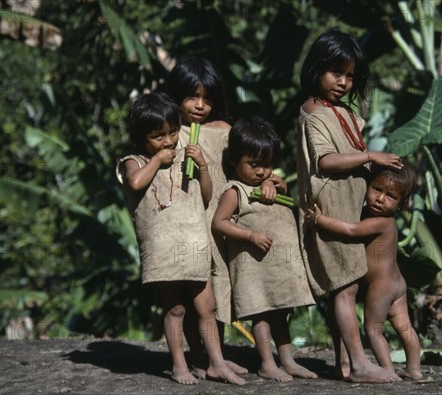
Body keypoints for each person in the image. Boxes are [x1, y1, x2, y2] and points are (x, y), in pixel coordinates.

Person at [296, 28, 403, 383]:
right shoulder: (315, 113)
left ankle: (346, 365)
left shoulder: (337, 110)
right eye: (335, 73)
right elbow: (326, 161)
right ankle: (358, 363)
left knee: (346, 285)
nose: (343, 82)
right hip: (330, 210)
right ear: (316, 70)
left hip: (345, 207)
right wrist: (370, 154)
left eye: (350, 76)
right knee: (345, 288)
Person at [116, 92, 244, 386]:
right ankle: (179, 365)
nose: (168, 141)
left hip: (195, 242)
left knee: (206, 306)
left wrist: (201, 166)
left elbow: (206, 195)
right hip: (163, 248)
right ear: (140, 138)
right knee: (175, 308)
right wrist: (158, 159)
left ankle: (215, 362)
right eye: (157, 136)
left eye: (173, 133)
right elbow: (135, 183)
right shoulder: (133, 162)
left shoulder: (182, 160)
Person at [212, 117, 317, 382]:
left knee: (281, 311)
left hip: (277, 268)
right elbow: (219, 222)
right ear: (235, 162)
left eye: (267, 165)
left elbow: (288, 205)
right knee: (261, 314)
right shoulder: (235, 191)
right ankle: (267, 362)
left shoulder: (272, 183)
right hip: (253, 269)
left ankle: (288, 360)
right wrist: (249, 235)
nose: (261, 172)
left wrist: (280, 185)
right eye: (254, 164)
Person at [164, 56, 248, 377]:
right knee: (191, 294)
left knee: (220, 290)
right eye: (192, 97)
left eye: (207, 98)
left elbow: (242, 167)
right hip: (186, 222)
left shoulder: (225, 131)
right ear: (176, 97)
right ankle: (200, 357)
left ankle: (218, 355)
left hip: (219, 221)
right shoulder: (171, 134)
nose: (200, 106)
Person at [306, 165, 423, 381]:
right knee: (404, 326)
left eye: (390, 196)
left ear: (402, 204)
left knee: (373, 328)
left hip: (382, 285)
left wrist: (320, 220)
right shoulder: (377, 218)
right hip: (398, 283)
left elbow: (350, 230)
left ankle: (386, 371)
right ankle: (414, 370)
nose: (380, 199)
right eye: (377, 189)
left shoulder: (381, 222)